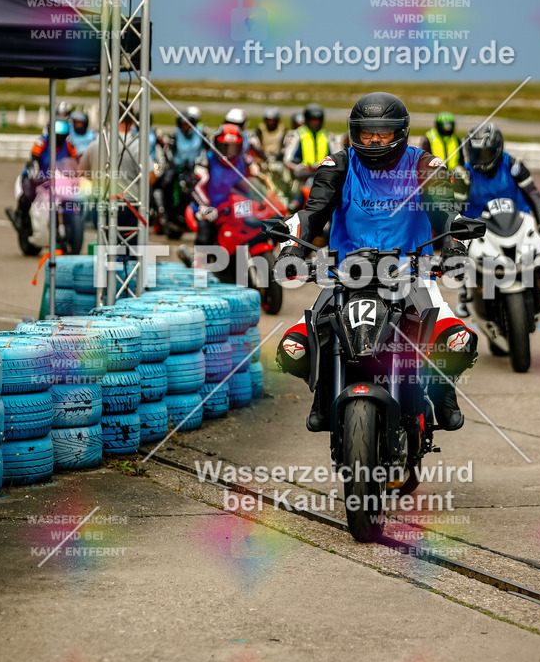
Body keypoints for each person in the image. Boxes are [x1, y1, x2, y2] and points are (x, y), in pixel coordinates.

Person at [268, 92, 478, 433]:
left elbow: (445, 213)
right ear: (355, 133)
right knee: (295, 346)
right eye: (367, 132)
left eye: (384, 131)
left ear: (401, 133)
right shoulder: (337, 165)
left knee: (455, 339)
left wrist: (453, 249)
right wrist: (292, 253)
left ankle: (443, 393)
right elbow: (311, 214)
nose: (376, 139)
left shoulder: (425, 165)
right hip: (345, 273)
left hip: (412, 270)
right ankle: (323, 395)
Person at [455, 122, 540, 314]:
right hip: (480, 228)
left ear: (498, 150)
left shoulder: (513, 166)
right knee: (458, 251)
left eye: (484, 154)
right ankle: (466, 290)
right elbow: (453, 209)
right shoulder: (464, 174)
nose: (479, 160)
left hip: (517, 222)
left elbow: (535, 196)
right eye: (475, 154)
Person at [178, 122, 260, 261]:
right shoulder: (206, 160)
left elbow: (259, 182)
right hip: (212, 209)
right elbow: (195, 186)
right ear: (216, 144)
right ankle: (198, 262)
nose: (229, 151)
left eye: (233, 147)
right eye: (225, 147)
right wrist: (205, 206)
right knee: (205, 234)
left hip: (238, 209)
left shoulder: (245, 160)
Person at [7, 118, 78, 231]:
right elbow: (35, 156)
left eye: (61, 135)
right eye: (56, 134)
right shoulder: (42, 142)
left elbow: (76, 161)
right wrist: (35, 167)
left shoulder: (69, 145)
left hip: (58, 179)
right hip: (37, 176)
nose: (58, 137)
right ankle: (21, 216)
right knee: (29, 194)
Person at [152, 106, 205, 221]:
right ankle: (163, 210)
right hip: (177, 167)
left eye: (187, 124)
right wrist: (173, 163)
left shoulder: (201, 134)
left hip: (194, 168)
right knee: (164, 182)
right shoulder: (175, 134)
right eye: (183, 124)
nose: (185, 127)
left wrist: (199, 161)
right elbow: (168, 150)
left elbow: (208, 150)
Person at [283, 103, 331, 175]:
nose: (315, 123)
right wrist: (299, 168)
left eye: (317, 120)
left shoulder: (327, 136)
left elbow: (336, 159)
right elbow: (287, 160)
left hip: (323, 175)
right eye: (313, 120)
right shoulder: (296, 135)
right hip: (302, 176)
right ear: (307, 120)